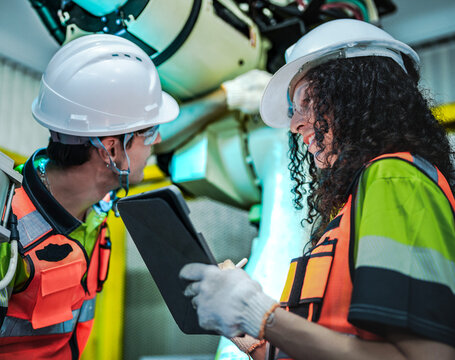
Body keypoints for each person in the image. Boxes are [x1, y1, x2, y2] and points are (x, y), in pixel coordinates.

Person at [179, 19, 455, 360]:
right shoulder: (351, 208)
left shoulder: (394, 178)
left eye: (307, 101)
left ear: (357, 95)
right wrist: (249, 334)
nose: (295, 124)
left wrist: (259, 313)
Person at [0, 34, 178, 360]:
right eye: (148, 132)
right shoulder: (0, 221)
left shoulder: (97, 211)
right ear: (112, 149)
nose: (156, 141)